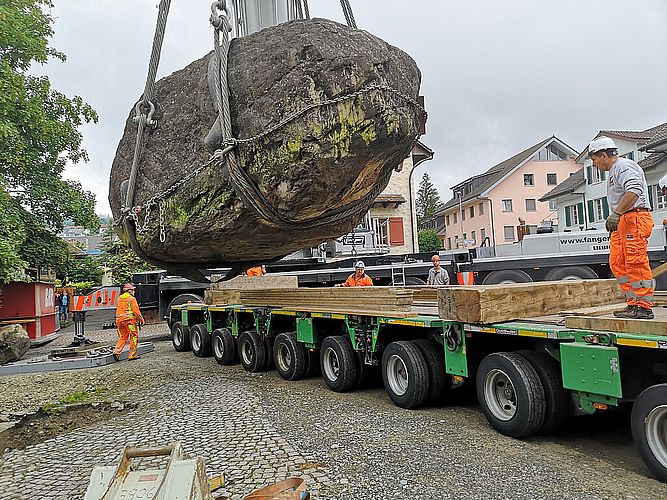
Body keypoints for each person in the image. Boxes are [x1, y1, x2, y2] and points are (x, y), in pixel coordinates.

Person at [589, 137, 654, 319]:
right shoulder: (615, 170)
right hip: (625, 220)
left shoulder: (624, 166)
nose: (594, 165)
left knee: (635, 261)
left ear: (603, 155)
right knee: (618, 262)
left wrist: (617, 213)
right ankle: (633, 303)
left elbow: (634, 189)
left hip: (634, 218)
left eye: (594, 160)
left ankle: (644, 306)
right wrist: (618, 216)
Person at [113, 284, 145, 361]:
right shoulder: (131, 299)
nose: (134, 292)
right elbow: (136, 311)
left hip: (119, 321)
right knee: (133, 337)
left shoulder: (119, 298)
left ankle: (116, 352)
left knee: (123, 337)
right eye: (133, 290)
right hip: (129, 321)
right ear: (129, 291)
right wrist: (141, 320)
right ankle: (132, 355)